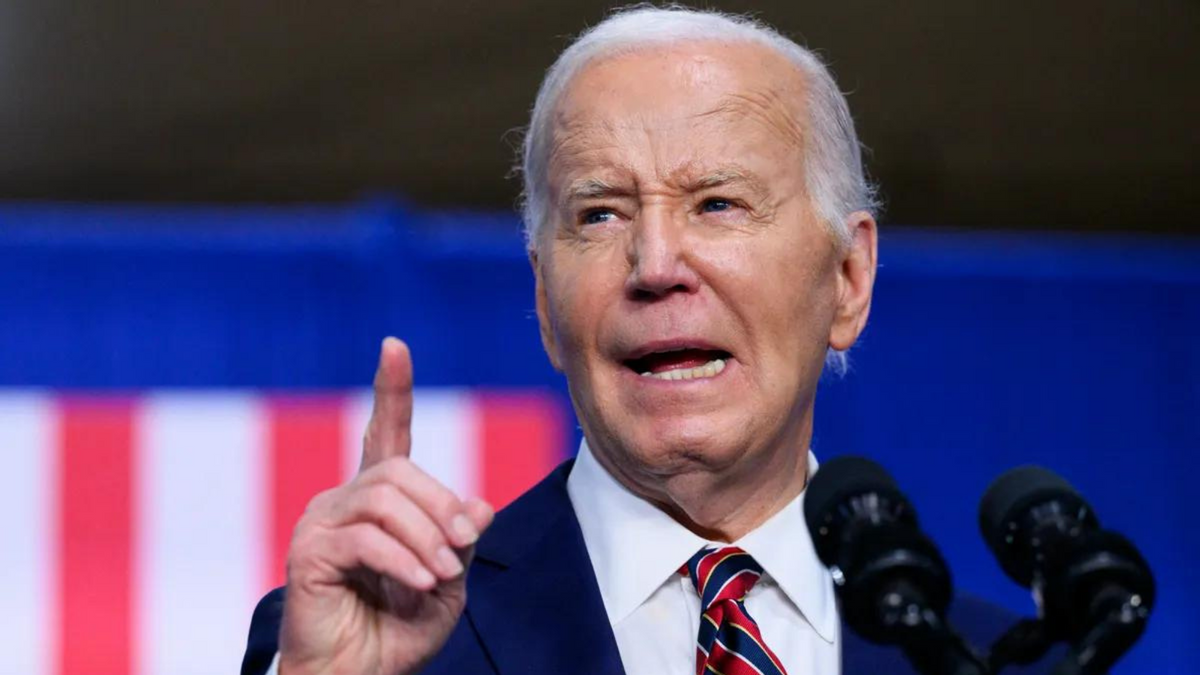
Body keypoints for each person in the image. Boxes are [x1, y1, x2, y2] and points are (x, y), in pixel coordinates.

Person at [242, 7, 1042, 675]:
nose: (655, 265)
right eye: (600, 214)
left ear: (849, 277)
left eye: (718, 203)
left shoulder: (998, 659)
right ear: (545, 304)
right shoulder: (381, 640)